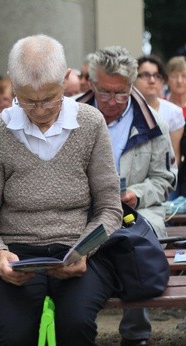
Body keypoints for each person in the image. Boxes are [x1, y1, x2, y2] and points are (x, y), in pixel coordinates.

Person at [0, 34, 123, 345]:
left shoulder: (90, 123)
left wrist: (84, 250)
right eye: (27, 100)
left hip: (77, 249)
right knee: (14, 334)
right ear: (12, 84)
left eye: (50, 98)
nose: (39, 110)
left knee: (77, 324)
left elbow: (110, 207)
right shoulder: (0, 130)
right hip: (16, 252)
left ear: (67, 80)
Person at [77, 46, 176, 346]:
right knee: (79, 239)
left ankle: (135, 334)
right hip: (84, 210)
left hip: (136, 212)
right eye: (104, 92)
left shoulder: (152, 122)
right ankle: (78, 325)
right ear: (92, 84)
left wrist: (137, 193)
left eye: (121, 93)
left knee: (139, 242)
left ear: (131, 86)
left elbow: (165, 178)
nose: (111, 102)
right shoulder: (72, 117)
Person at [135, 56, 184, 183]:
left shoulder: (174, 112)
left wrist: (168, 182)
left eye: (157, 76)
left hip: (163, 180)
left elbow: (175, 155)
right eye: (145, 75)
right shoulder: (124, 110)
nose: (152, 80)